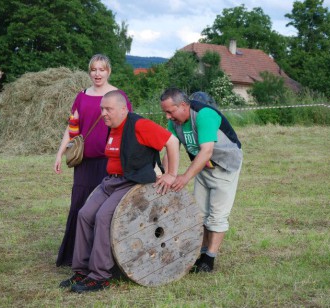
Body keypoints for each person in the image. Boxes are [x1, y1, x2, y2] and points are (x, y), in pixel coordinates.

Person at [59, 90, 179, 293]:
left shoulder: (139, 124)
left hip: (131, 182)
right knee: (84, 214)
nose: (104, 113)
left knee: (104, 216)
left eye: (108, 109)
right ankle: (81, 270)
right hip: (110, 181)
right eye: (102, 109)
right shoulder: (112, 126)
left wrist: (171, 174)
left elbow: (172, 141)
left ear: (123, 109)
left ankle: (100, 275)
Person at [54, 54, 132, 267]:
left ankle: (105, 258)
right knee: (79, 207)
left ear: (109, 72)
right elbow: (72, 129)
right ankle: (74, 255)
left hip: (110, 163)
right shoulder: (81, 97)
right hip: (84, 163)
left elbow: (128, 128)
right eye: (94, 70)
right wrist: (60, 153)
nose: (97, 74)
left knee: (104, 210)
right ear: (89, 72)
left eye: (102, 69)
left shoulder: (118, 96)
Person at [160, 88, 243, 273]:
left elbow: (207, 151)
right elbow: (170, 149)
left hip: (225, 166)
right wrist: (165, 174)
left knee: (217, 215)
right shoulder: (176, 122)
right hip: (203, 167)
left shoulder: (204, 115)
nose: (167, 117)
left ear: (183, 105)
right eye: (165, 112)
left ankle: (209, 260)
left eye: (169, 111)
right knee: (200, 213)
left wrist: (184, 178)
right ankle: (203, 254)